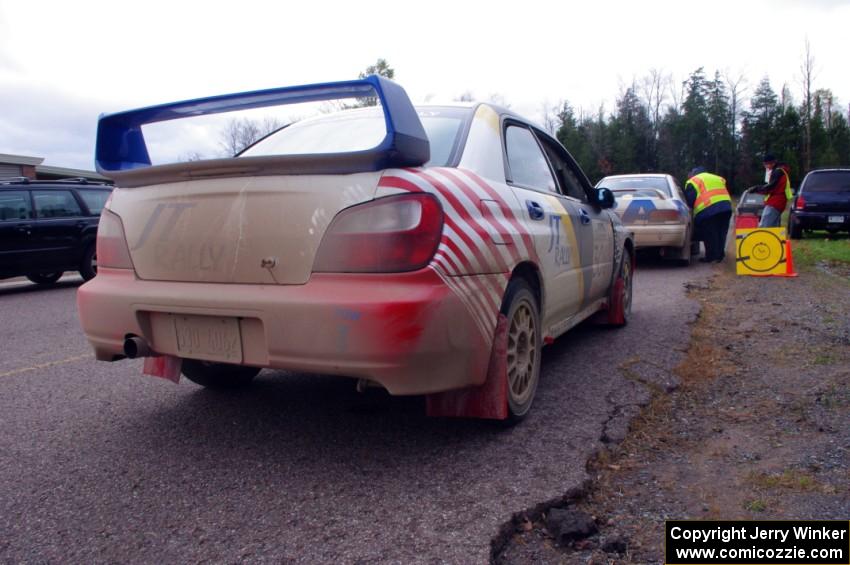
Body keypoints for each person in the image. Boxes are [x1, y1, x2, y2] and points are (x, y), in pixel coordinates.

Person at [684, 167, 733, 263]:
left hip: (709, 209)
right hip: (726, 207)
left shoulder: (693, 181)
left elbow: (690, 201)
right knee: (721, 232)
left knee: (710, 234)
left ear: (694, 174)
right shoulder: (718, 178)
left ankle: (711, 257)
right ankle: (719, 256)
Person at [753, 154, 793, 228]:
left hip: (775, 203)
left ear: (771, 163)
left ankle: (764, 239)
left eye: (765, 164)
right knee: (774, 227)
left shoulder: (777, 172)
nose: (765, 166)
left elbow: (770, 187)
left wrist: (756, 189)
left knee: (764, 226)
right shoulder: (780, 170)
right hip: (779, 202)